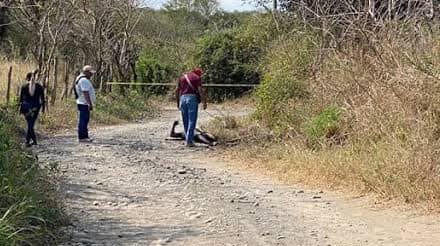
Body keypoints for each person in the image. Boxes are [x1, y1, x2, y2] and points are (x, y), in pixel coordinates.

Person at [175, 68, 207, 147]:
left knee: (185, 120)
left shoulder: (182, 77)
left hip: (182, 98)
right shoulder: (197, 78)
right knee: (192, 120)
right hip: (192, 99)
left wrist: (178, 102)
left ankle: (188, 139)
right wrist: (204, 102)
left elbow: (177, 90)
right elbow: (200, 90)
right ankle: (189, 141)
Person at [19, 70, 45, 147]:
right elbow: (43, 99)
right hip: (35, 107)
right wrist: (43, 108)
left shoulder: (24, 86)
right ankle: (30, 141)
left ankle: (31, 141)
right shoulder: (39, 87)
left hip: (26, 107)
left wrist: (20, 108)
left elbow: (21, 99)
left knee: (29, 124)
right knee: (31, 124)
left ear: (27, 78)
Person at [75, 65, 96, 143]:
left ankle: (85, 136)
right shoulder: (84, 80)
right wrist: (89, 103)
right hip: (84, 103)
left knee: (84, 120)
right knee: (83, 120)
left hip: (82, 102)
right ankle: (82, 137)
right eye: (90, 73)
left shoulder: (81, 78)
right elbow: (85, 92)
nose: (91, 75)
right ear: (86, 72)